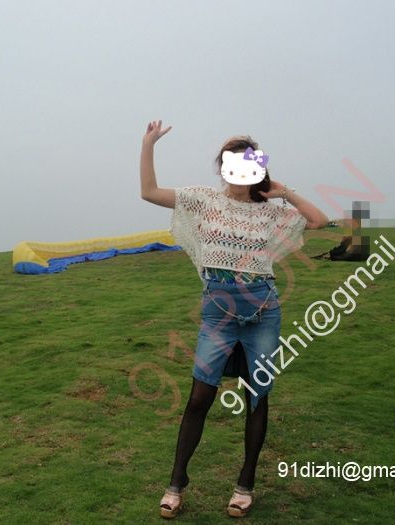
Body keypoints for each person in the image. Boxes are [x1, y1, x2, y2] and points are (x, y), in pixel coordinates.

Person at [139, 120, 329, 518]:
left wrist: (284, 192)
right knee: (199, 396)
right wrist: (149, 144)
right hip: (218, 313)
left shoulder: (270, 212)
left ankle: (245, 484)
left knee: (257, 396)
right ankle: (176, 483)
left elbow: (318, 220)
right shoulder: (204, 200)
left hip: (263, 312)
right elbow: (150, 192)